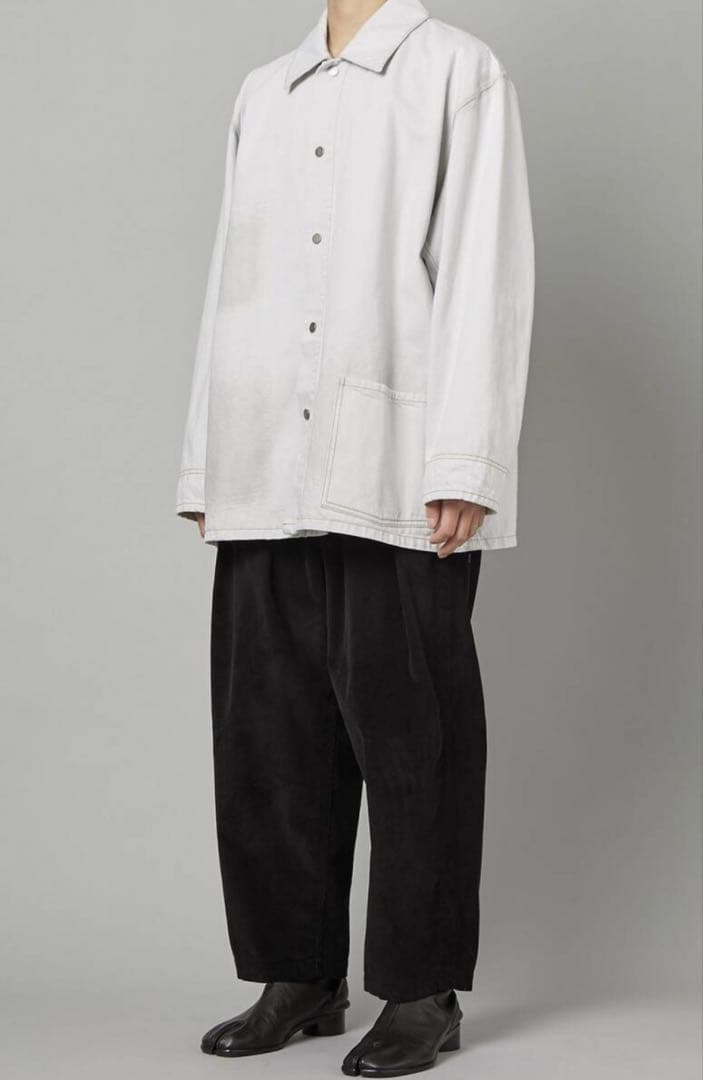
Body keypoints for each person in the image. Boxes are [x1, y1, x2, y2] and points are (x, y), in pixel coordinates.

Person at [176, 0, 534, 1074]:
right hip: (263, 459)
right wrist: (207, 455)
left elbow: (485, 269)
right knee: (268, 734)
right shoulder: (265, 91)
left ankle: (422, 992)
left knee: (414, 737)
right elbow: (232, 276)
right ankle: (299, 976)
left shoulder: (456, 71)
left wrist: (465, 460)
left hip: (395, 460)